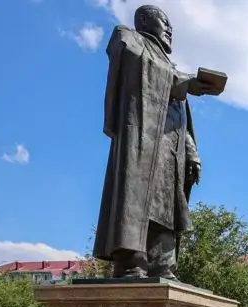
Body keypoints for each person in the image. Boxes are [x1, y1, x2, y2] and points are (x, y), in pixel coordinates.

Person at [92, 5, 219, 280]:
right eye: (165, 22)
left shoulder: (168, 67)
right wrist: (185, 81)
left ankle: (162, 264)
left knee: (167, 207)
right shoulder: (128, 38)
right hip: (142, 140)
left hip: (170, 150)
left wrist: (191, 152)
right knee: (136, 200)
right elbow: (136, 62)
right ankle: (131, 263)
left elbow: (181, 117)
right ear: (145, 22)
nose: (170, 29)